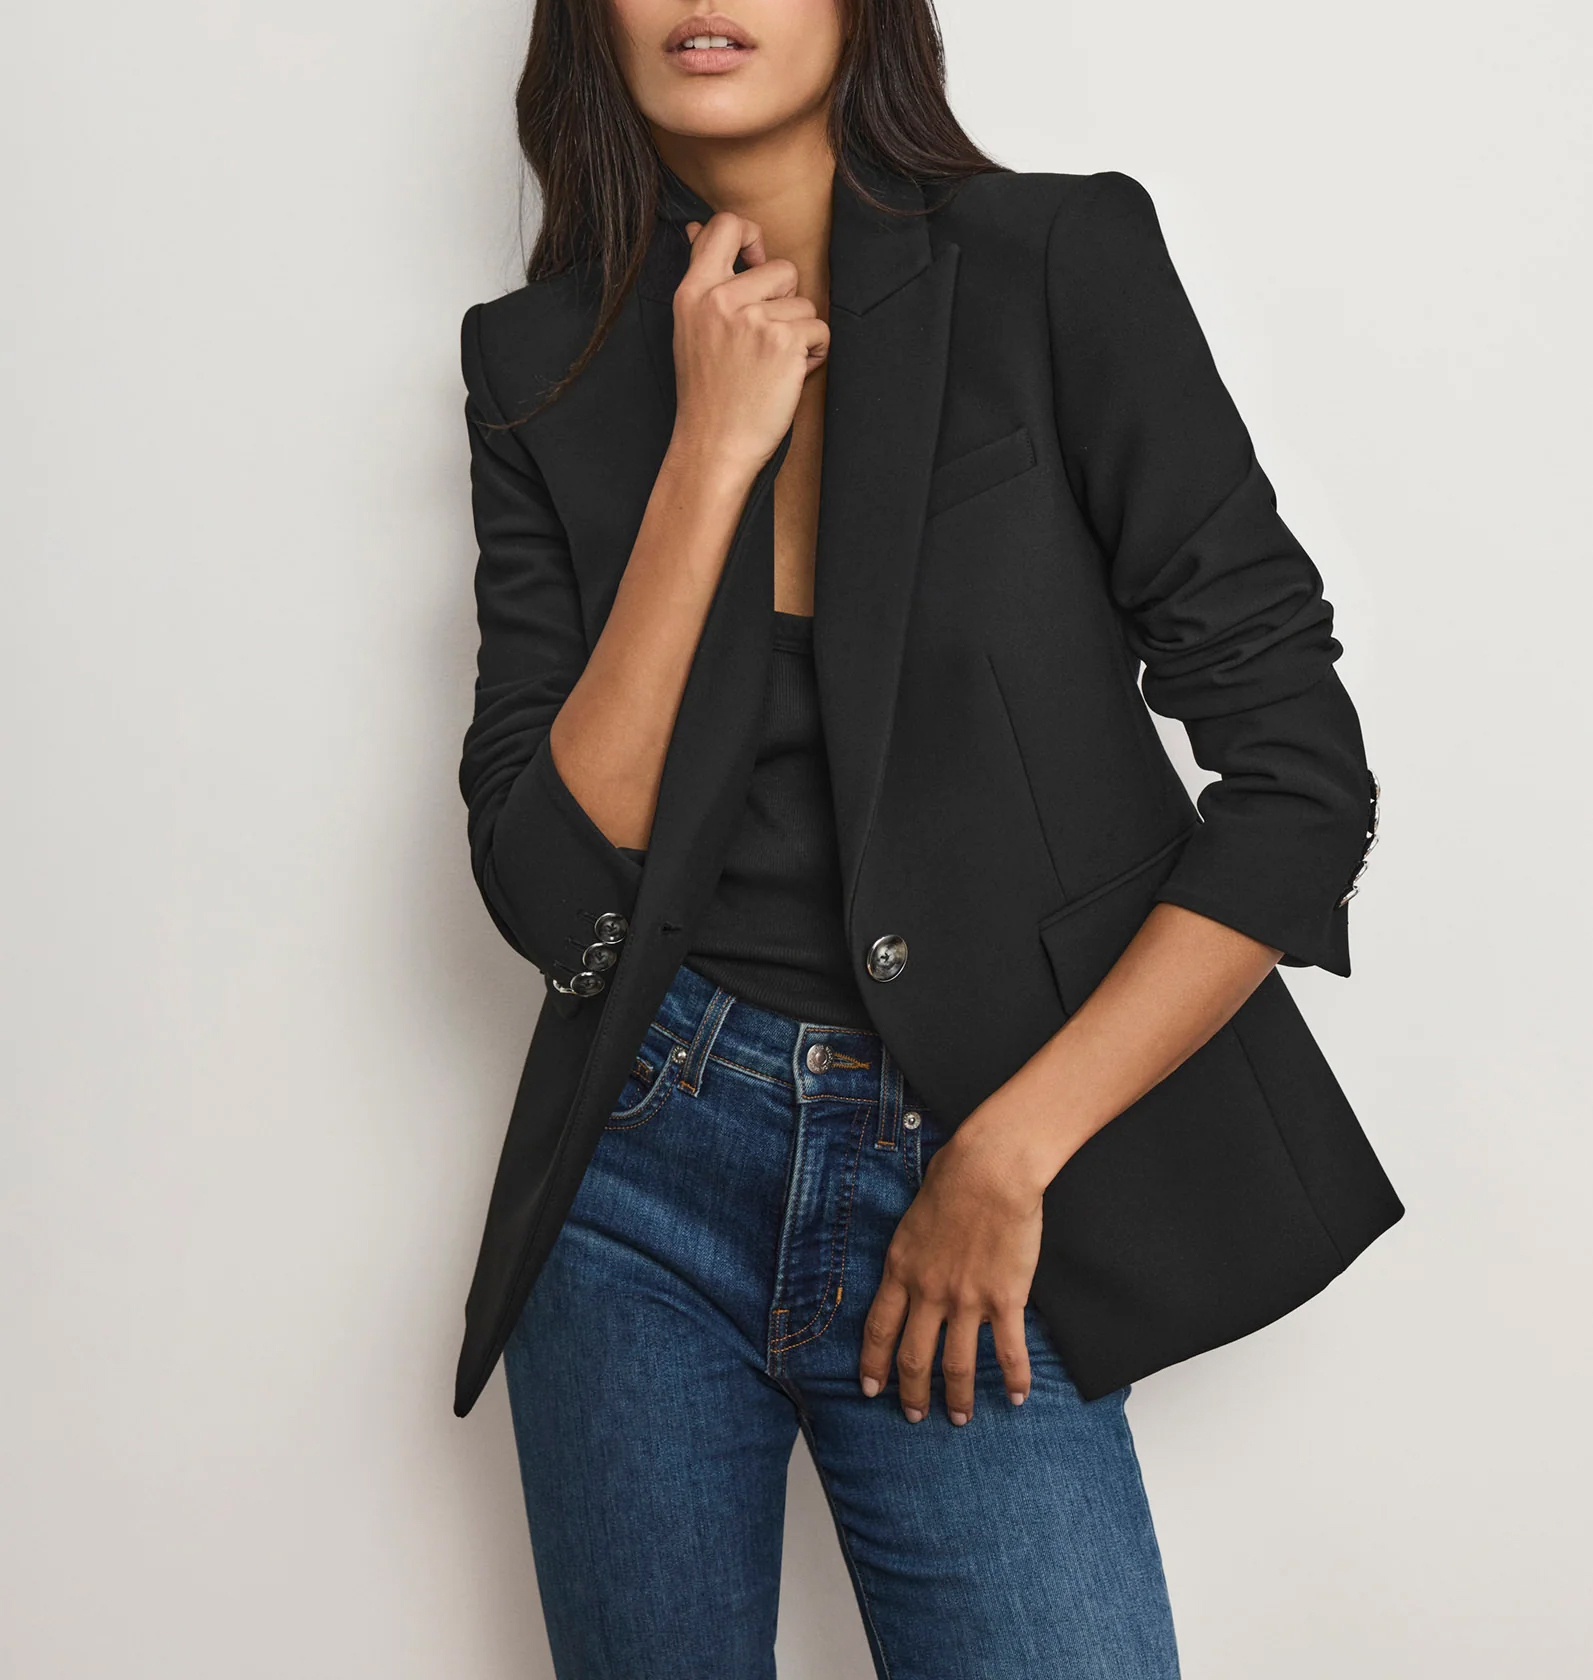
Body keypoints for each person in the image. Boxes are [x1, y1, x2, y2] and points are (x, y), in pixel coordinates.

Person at [452, 0, 1402, 1673]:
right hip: (639, 1174)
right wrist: (706, 461)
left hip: (969, 1162)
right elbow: (547, 886)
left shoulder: (1051, 264)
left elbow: (1298, 785)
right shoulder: (539, 362)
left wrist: (1007, 1152)